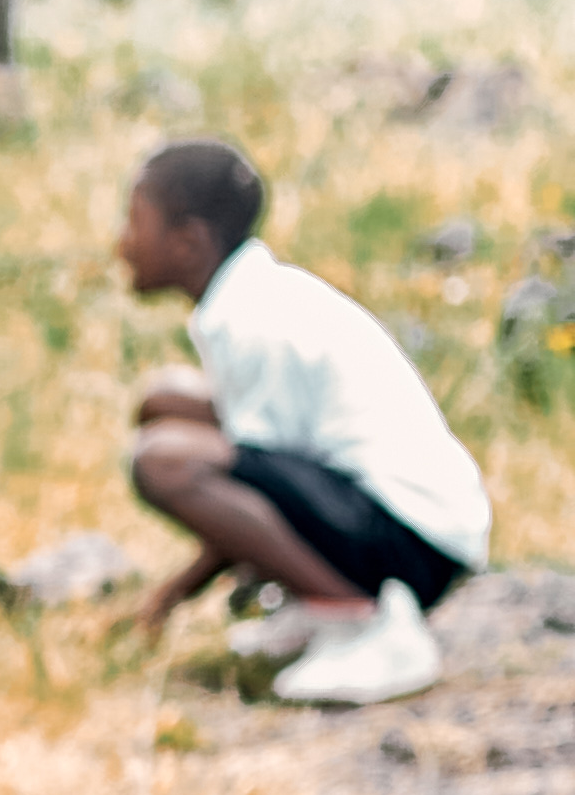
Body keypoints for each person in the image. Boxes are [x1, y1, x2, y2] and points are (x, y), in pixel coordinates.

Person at [109, 137, 490, 707]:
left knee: (162, 460)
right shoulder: (254, 295)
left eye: (135, 223)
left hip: (412, 541)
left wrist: (164, 601)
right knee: (164, 401)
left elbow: (259, 494)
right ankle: (326, 602)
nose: (122, 244)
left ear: (188, 242)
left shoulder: (252, 322)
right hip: (405, 522)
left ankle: (363, 621)